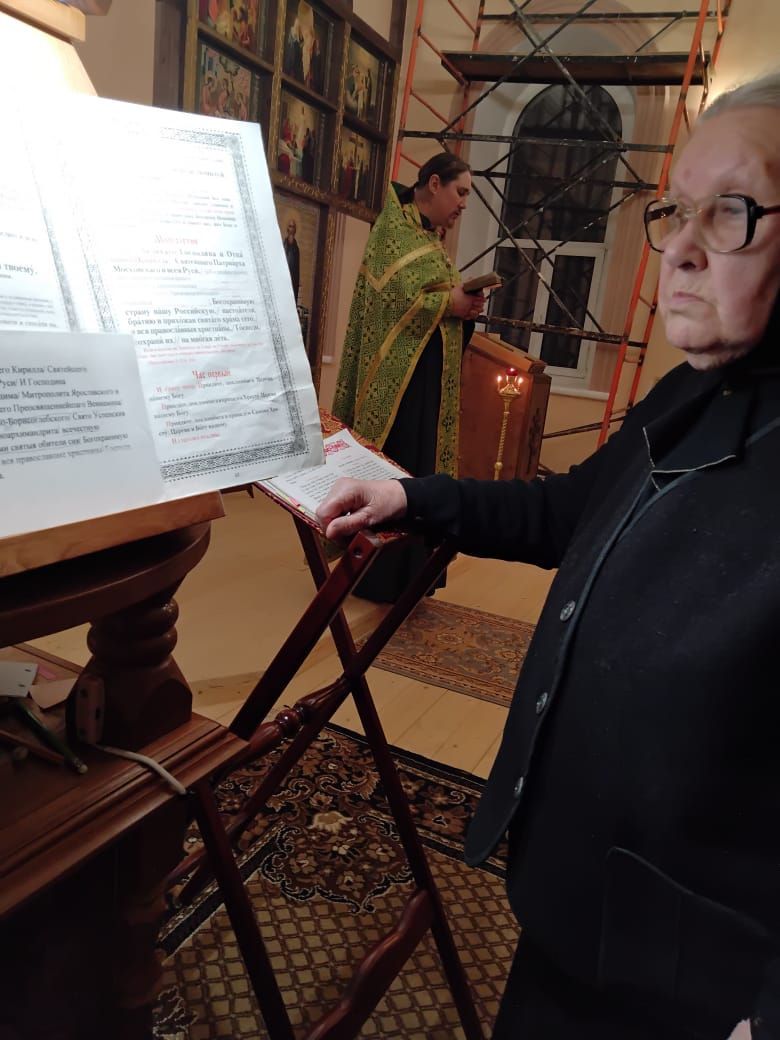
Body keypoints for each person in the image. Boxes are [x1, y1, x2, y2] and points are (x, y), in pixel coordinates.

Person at [317, 69, 780, 1040]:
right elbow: (567, 508)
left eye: (733, 211)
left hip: (693, 979)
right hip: (584, 904)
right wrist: (412, 497)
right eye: (675, 210)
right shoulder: (694, 389)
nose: (681, 248)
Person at [331, 151, 485, 602]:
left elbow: (433, 302)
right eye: (460, 192)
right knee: (393, 473)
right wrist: (449, 303)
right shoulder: (393, 230)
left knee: (421, 475)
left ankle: (414, 577)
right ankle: (378, 578)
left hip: (429, 387)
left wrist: (464, 307)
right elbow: (395, 303)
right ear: (434, 184)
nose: (463, 204)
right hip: (398, 391)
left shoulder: (431, 240)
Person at [282, 218, 300, 303]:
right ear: (287, 229)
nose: (291, 229)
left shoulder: (296, 249)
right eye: (290, 226)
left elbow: (297, 271)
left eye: (293, 227)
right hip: (283, 279)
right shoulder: (283, 245)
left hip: (292, 281)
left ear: (295, 230)